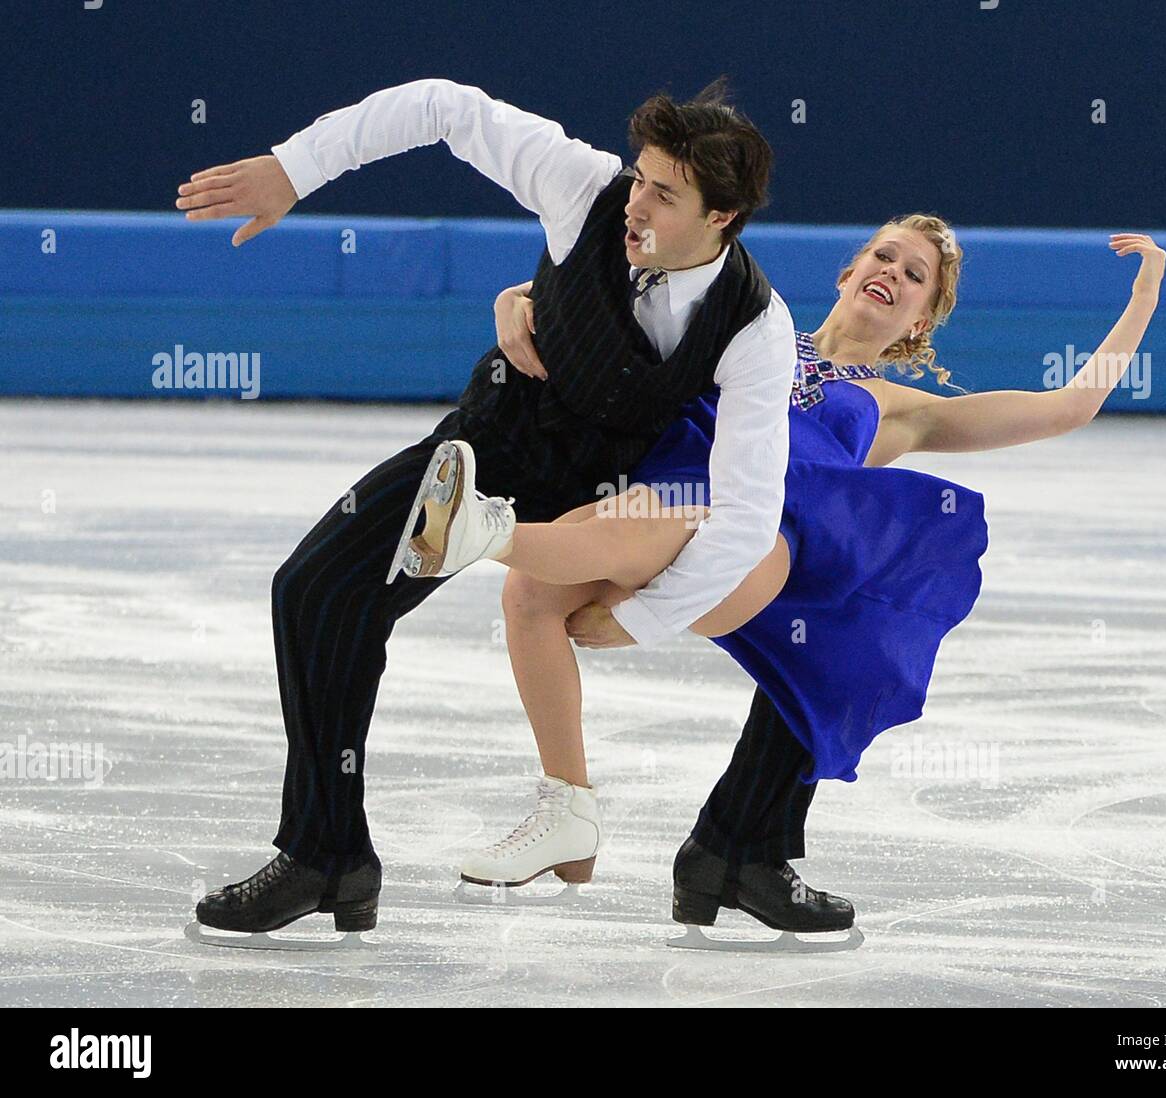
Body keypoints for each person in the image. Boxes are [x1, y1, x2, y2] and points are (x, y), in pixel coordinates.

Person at [176, 76, 815, 939]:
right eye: (639, 178)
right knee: (317, 590)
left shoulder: (756, 326)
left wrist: (643, 622)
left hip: (598, 499)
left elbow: (742, 513)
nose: (637, 205)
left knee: (816, 604)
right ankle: (330, 852)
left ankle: (735, 841)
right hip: (489, 445)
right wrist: (295, 169)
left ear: (723, 219)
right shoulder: (580, 188)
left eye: (665, 195)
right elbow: (443, 106)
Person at [421, 221, 1166, 938]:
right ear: (847, 273)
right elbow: (623, 295)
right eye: (884, 256)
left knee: (677, 535)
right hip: (667, 494)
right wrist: (514, 297)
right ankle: (570, 806)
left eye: (915, 277)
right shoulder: (752, 334)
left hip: (762, 549)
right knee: (529, 596)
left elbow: (1069, 406)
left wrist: (1144, 300)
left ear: (919, 321)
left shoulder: (901, 409)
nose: (892, 275)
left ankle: (485, 532)